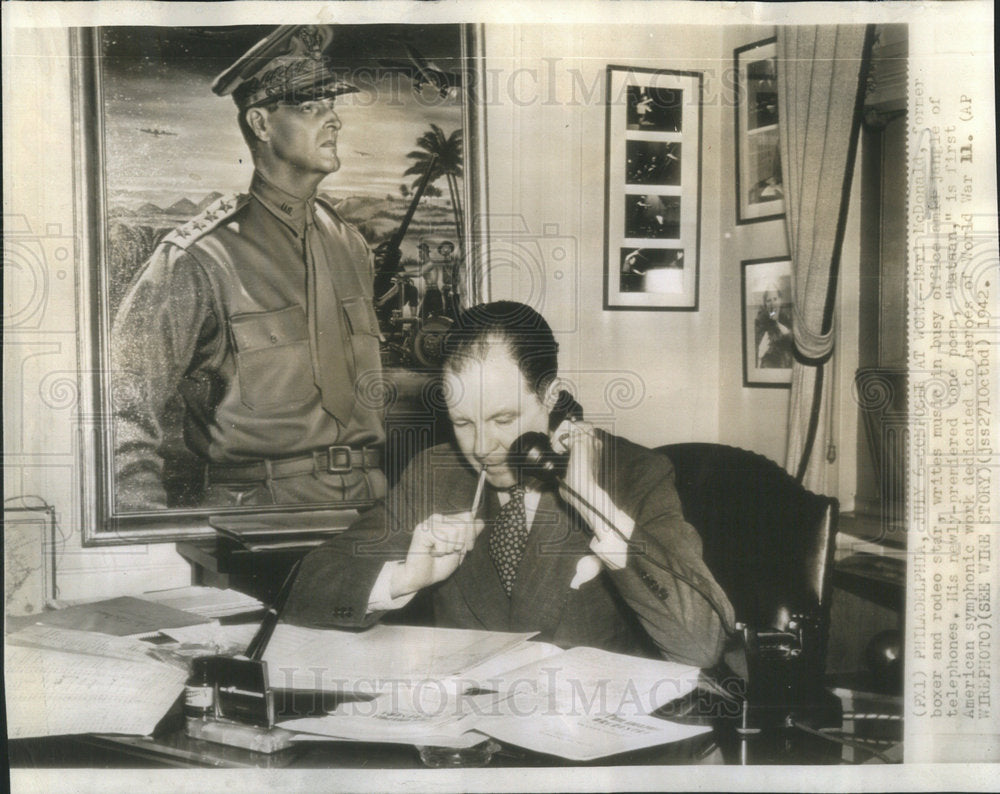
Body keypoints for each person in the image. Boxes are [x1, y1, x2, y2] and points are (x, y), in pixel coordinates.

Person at [285, 301, 736, 669]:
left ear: (552, 396)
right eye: (462, 422)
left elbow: (700, 644)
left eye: (503, 418)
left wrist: (594, 504)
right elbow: (306, 587)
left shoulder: (634, 475)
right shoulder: (436, 473)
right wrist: (404, 579)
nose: (481, 445)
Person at [112, 25, 392, 511]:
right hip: (261, 518)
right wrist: (145, 528)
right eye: (310, 106)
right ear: (260, 124)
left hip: (368, 509)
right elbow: (123, 406)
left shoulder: (351, 247)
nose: (333, 121)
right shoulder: (198, 258)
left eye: (332, 105)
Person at [754, 284, 794, 369]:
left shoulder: (789, 322)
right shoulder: (759, 325)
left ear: (780, 300)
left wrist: (782, 329)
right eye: (769, 300)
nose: (772, 304)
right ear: (765, 304)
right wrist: (759, 353)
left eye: (775, 299)